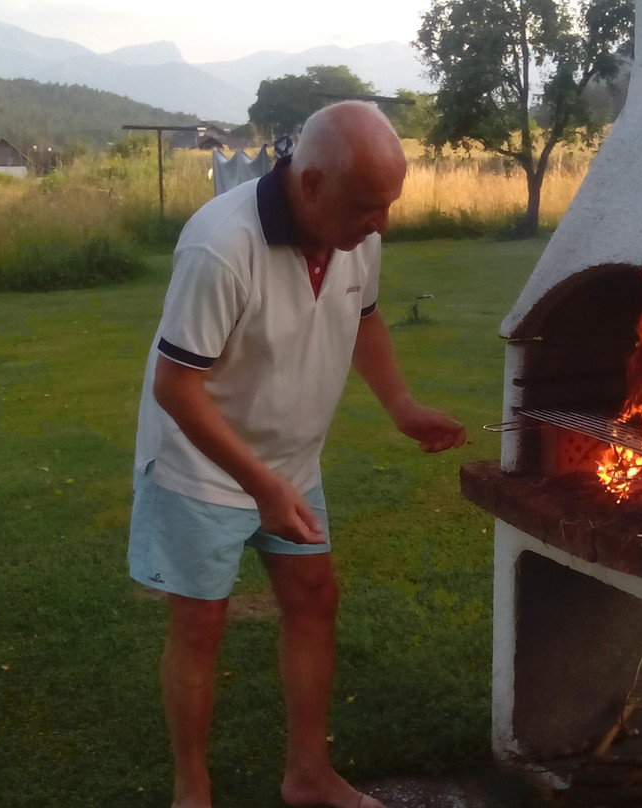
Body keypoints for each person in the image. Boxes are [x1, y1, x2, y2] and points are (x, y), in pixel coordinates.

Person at [128, 101, 466, 808]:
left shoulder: (354, 234)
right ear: (310, 183)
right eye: (368, 206)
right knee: (200, 623)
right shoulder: (221, 245)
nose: (382, 223)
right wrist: (259, 485)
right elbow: (174, 385)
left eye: (388, 205)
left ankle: (307, 774)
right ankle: (192, 792)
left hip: (290, 466)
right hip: (199, 466)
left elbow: (363, 319)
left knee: (314, 600)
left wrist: (402, 407)